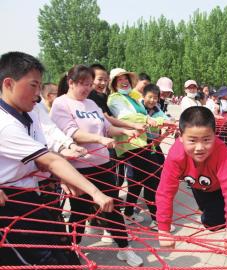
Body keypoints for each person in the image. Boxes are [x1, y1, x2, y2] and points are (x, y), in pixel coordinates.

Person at [0, 52, 113, 266]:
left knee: (62, 250)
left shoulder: (31, 111)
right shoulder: (5, 124)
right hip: (11, 202)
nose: (38, 94)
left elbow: (50, 138)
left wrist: (65, 152)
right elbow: (51, 160)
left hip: (35, 191)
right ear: (8, 84)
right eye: (33, 86)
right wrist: (95, 193)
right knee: (39, 259)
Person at [50, 64, 144, 266]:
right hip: (79, 169)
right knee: (79, 212)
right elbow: (71, 133)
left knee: (112, 206)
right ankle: (74, 248)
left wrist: (125, 132)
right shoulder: (61, 104)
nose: (87, 88)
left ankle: (124, 248)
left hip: (104, 165)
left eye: (89, 84)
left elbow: (108, 128)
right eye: (82, 84)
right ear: (71, 82)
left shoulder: (91, 104)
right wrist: (99, 140)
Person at [156, 106, 227, 250]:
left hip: (218, 189)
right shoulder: (176, 155)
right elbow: (165, 191)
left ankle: (212, 215)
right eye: (192, 140)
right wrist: (164, 230)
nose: (199, 147)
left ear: (215, 135)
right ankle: (206, 212)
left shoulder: (222, 153)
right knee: (207, 214)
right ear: (180, 136)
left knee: (215, 224)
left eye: (206, 139)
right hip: (197, 187)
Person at [107, 68, 163, 224]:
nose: (124, 81)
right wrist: (148, 120)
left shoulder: (133, 96)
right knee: (152, 180)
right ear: (113, 83)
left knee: (136, 181)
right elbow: (126, 116)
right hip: (130, 144)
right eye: (119, 79)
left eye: (126, 78)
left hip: (142, 142)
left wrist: (164, 121)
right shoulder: (114, 98)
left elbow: (149, 114)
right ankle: (157, 220)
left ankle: (129, 213)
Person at [141, 84, 176, 232]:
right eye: (150, 97)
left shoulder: (157, 110)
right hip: (139, 146)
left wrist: (173, 125)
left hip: (153, 145)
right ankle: (155, 219)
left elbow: (165, 119)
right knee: (149, 181)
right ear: (143, 96)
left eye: (155, 98)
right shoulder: (139, 109)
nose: (152, 100)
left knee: (157, 177)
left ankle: (136, 213)